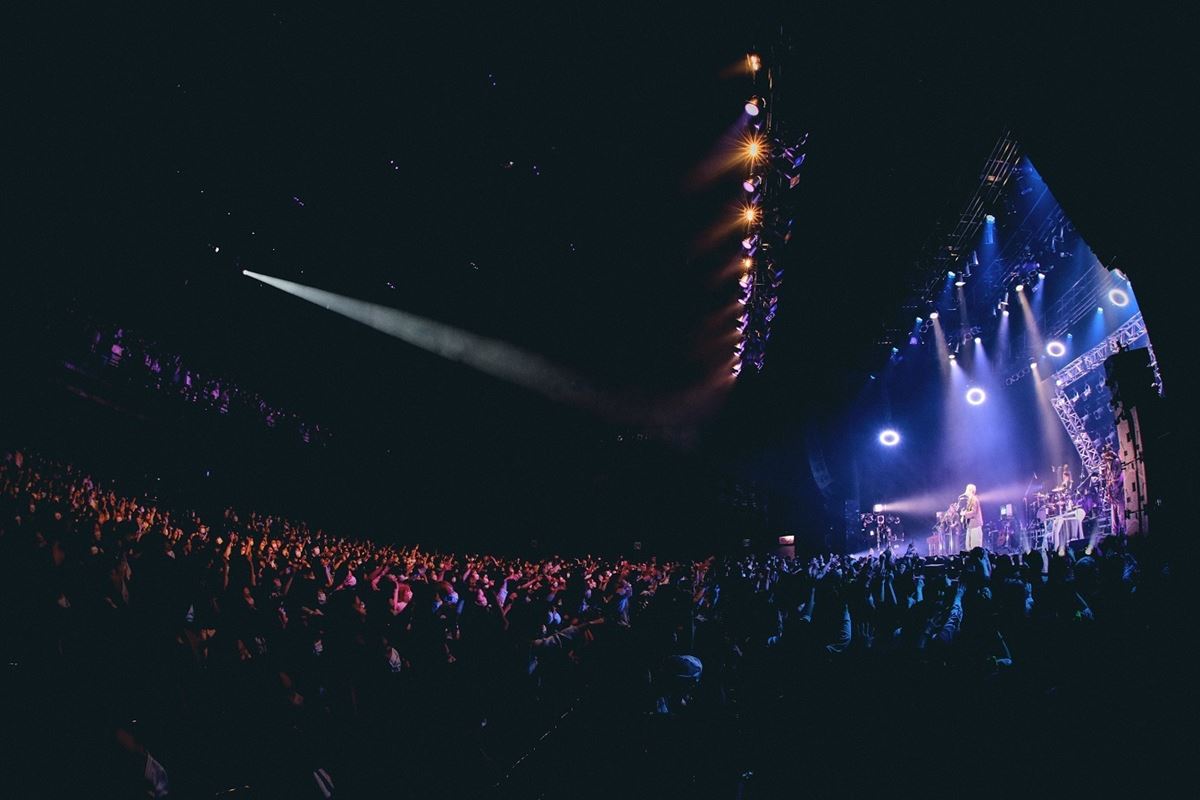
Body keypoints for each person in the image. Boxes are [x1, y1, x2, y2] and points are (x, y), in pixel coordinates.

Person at [961, 483, 983, 551]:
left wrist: (965, 513)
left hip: (975, 525)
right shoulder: (970, 500)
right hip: (970, 526)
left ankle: (976, 560)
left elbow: (973, 512)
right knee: (969, 546)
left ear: (971, 490)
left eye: (967, 490)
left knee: (975, 546)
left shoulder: (974, 499)